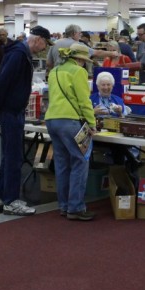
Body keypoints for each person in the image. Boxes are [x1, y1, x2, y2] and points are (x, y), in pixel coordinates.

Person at [0, 25, 52, 217]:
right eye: (44, 44)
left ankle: (2, 196)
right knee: (14, 157)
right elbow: (4, 81)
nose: (44, 49)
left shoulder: (17, 52)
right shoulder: (20, 54)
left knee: (8, 155)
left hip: (10, 109)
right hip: (11, 111)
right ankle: (11, 201)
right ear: (38, 39)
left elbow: (4, 81)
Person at [46, 42, 97, 221]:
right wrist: (92, 123)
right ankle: (75, 208)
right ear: (80, 59)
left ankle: (64, 206)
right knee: (80, 161)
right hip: (71, 121)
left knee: (62, 163)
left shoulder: (54, 72)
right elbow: (84, 101)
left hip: (52, 120)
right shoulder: (78, 72)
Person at [91, 71, 140, 177]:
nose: (106, 87)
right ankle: (129, 165)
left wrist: (120, 112)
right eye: (103, 85)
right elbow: (83, 117)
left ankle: (123, 171)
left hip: (113, 133)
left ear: (112, 86)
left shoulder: (118, 100)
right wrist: (93, 112)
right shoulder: (91, 99)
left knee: (121, 144)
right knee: (118, 146)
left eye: (108, 85)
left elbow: (125, 119)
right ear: (98, 86)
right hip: (96, 135)